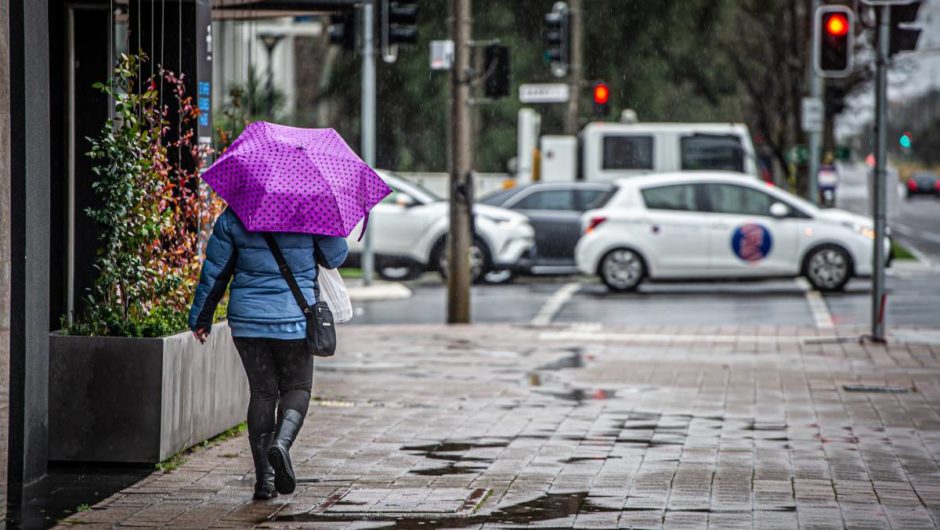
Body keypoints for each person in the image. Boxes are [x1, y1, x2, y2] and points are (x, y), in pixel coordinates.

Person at [188, 207, 348, 500]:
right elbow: (336, 257)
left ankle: (265, 480)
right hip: (294, 322)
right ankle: (282, 444)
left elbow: (216, 270)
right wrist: (326, 224)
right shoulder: (311, 210)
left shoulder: (235, 212)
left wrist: (202, 317)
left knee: (262, 393)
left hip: (248, 322)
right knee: (297, 388)